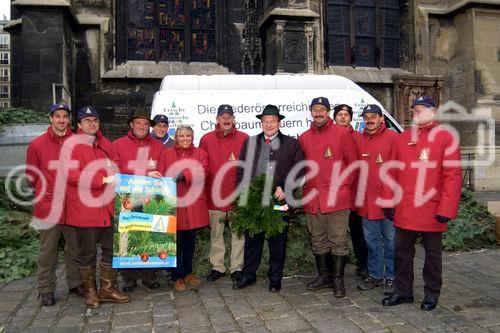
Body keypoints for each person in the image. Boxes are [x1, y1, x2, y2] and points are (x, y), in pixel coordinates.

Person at [381, 96, 461, 311]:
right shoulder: (402, 137)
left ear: (433, 112)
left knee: (432, 256)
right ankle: (403, 291)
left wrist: (447, 208)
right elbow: (391, 171)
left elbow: (452, 176)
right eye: (414, 109)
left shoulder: (445, 137)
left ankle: (432, 293)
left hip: (432, 209)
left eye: (422, 109)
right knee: (402, 253)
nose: (416, 113)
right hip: (405, 209)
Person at [62, 106, 131, 308]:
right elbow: (72, 175)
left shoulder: (105, 144)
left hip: (107, 207)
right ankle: (90, 291)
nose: (92, 124)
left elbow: (118, 166)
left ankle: (107, 288)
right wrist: (102, 178)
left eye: (95, 120)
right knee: (87, 252)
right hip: (85, 209)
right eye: (87, 120)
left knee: (110, 249)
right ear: (79, 125)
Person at [233, 105, 304, 293]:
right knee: (252, 240)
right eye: (265, 121)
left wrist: (286, 188)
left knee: (277, 241)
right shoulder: (250, 143)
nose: (269, 124)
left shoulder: (291, 144)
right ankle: (248, 274)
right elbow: (241, 170)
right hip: (254, 201)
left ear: (279, 122)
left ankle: (275, 278)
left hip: (278, 201)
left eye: (272, 121)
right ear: (261, 123)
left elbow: (300, 170)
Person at [298, 97, 358, 298]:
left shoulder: (342, 133)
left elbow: (353, 164)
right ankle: (324, 276)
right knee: (318, 239)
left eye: (322, 109)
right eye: (315, 109)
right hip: (313, 198)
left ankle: (338, 281)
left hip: (336, 199)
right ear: (311, 112)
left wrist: (342, 187)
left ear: (327, 112)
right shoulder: (304, 137)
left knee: (338, 240)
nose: (318, 113)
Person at [25, 103, 83, 306]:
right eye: (57, 116)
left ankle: (75, 283)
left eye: (65, 116)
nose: (61, 120)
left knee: (74, 248)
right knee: (47, 249)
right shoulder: (37, 144)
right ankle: (46, 289)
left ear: (69, 119)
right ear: (51, 118)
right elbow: (31, 176)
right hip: (48, 205)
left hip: (73, 205)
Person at [113, 107, 164, 292]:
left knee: (149, 236)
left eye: (145, 123)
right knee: (127, 235)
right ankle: (129, 277)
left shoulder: (158, 146)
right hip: (126, 199)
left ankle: (149, 276)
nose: (142, 126)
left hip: (150, 199)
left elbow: (164, 170)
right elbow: (116, 169)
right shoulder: (118, 144)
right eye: (138, 123)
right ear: (131, 125)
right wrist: (145, 173)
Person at [199, 105, 248, 282]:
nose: (226, 120)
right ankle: (217, 267)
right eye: (223, 116)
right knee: (216, 235)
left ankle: (237, 268)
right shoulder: (206, 139)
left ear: (234, 119)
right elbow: (201, 166)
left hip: (237, 198)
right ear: (217, 120)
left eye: (229, 116)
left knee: (238, 236)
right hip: (214, 198)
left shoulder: (244, 138)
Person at [352, 104, 398, 295]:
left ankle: (392, 277)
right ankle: (375, 274)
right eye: (366, 117)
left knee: (391, 241)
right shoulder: (359, 140)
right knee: (371, 241)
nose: (369, 119)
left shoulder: (394, 138)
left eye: (373, 116)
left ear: (381, 119)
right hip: (367, 202)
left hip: (388, 203)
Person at [158, 126, 210, 292]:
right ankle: (177, 276)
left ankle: (188, 272)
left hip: (193, 205)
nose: (185, 138)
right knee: (176, 243)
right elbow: (161, 172)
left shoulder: (200, 154)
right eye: (182, 135)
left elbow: (203, 171)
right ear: (176, 137)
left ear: (192, 137)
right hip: (174, 205)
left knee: (189, 243)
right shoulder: (167, 154)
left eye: (188, 135)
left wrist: (185, 175)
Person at [333, 104, 369, 279]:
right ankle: (337, 264)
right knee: (336, 233)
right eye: (339, 114)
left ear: (350, 118)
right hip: (333, 195)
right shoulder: (329, 136)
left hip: (354, 194)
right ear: (335, 117)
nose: (342, 117)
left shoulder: (358, 137)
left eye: (346, 114)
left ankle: (363, 265)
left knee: (358, 232)